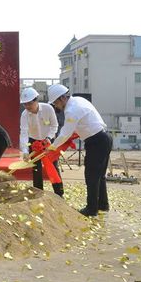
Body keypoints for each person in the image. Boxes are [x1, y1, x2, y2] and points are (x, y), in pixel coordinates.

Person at [47, 84, 112, 217]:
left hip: (96, 141)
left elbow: (65, 133)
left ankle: (91, 209)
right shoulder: (79, 100)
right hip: (104, 138)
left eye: (55, 103)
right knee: (100, 175)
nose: (56, 106)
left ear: (62, 99)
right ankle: (103, 205)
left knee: (91, 176)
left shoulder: (71, 110)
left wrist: (52, 147)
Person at [19, 87, 63, 197]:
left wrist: (48, 138)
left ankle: (59, 193)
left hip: (48, 140)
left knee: (53, 166)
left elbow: (54, 125)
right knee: (36, 168)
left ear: (36, 100)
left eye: (29, 103)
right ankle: (38, 193)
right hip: (33, 141)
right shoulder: (24, 115)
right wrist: (25, 151)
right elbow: (24, 133)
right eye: (25, 104)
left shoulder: (48, 109)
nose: (27, 107)